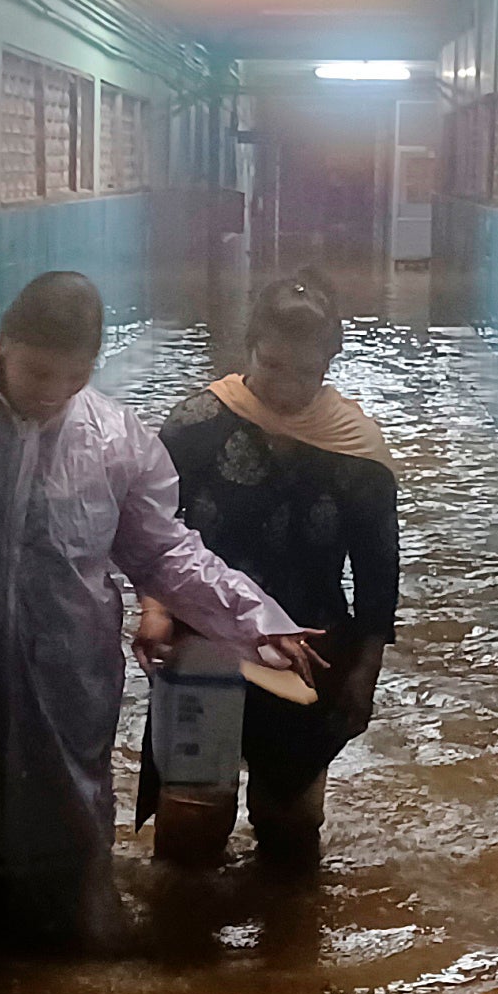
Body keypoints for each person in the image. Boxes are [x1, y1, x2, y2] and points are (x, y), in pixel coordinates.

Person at [0, 271, 320, 949]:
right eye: (36, 371)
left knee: (62, 822)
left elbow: (164, 553)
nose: (52, 392)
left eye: (72, 375)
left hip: (60, 672)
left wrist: (255, 618)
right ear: (3, 344)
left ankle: (64, 956)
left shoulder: (116, 440)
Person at [138, 273, 398, 864]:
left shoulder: (357, 451)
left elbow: (378, 573)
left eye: (306, 373)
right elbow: (152, 531)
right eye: (272, 364)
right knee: (191, 825)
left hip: (308, 651)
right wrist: (154, 611)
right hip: (203, 640)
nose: (285, 387)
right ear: (249, 346)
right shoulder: (195, 428)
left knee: (291, 830)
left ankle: (287, 948)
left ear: (331, 362)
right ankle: (184, 947)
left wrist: (364, 673)